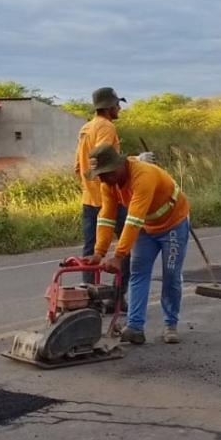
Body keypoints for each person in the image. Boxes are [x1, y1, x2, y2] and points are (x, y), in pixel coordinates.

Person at [81, 144, 191, 345]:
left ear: (118, 166)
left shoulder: (143, 177)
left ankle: (170, 324)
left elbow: (133, 220)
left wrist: (118, 256)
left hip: (173, 225)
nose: (102, 180)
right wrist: (99, 252)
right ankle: (135, 327)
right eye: (99, 175)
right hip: (145, 228)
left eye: (105, 174)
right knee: (138, 273)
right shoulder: (108, 185)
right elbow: (106, 217)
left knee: (171, 274)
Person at [76, 87, 130, 300]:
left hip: (89, 198)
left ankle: (88, 297)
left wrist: (88, 185)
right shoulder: (106, 127)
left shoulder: (86, 128)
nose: (119, 108)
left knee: (91, 251)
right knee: (125, 247)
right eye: (117, 104)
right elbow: (104, 160)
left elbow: (78, 166)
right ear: (109, 107)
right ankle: (117, 296)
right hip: (109, 197)